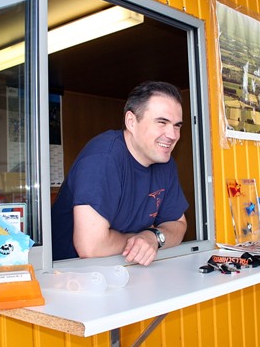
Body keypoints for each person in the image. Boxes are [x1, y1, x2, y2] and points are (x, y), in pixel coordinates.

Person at [51, 81, 189, 265]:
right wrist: (140, 242)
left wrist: (152, 237)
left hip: (124, 268)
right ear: (131, 121)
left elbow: (178, 225)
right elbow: (91, 246)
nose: (172, 135)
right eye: (161, 122)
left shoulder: (164, 161)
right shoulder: (102, 158)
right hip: (69, 273)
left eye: (177, 125)